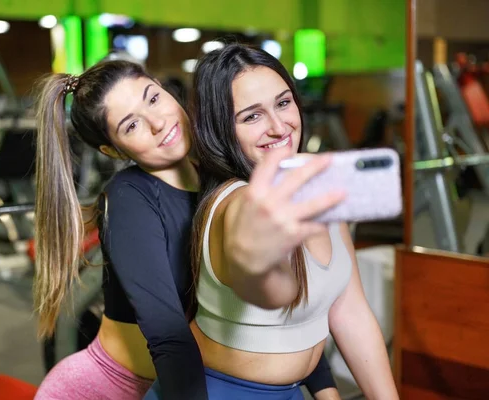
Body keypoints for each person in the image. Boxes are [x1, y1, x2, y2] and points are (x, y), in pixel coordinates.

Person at [32, 58, 340, 400]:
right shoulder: (130, 197)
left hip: (203, 383)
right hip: (111, 388)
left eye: (153, 98)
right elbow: (168, 335)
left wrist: (324, 389)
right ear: (113, 150)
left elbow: (291, 306)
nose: (158, 122)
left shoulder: (223, 180)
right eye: (131, 125)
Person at [145, 44, 399, 399]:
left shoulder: (317, 188)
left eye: (283, 103)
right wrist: (258, 264)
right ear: (222, 131)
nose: (279, 127)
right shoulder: (237, 203)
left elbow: (351, 312)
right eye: (252, 116)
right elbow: (261, 282)